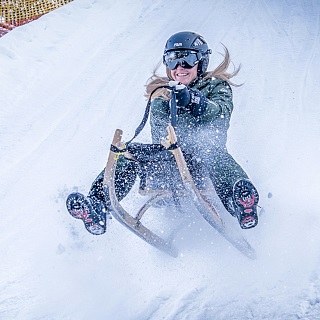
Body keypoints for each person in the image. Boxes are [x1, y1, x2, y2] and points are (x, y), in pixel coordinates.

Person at [66, 31, 259, 235]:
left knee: (209, 149)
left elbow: (220, 115)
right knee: (129, 152)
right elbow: (160, 134)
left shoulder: (216, 86)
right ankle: (97, 205)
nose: (179, 68)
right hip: (167, 168)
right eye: (173, 61)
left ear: (201, 62)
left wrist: (194, 101)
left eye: (187, 60)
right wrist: (172, 103)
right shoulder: (163, 94)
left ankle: (240, 200)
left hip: (202, 167)